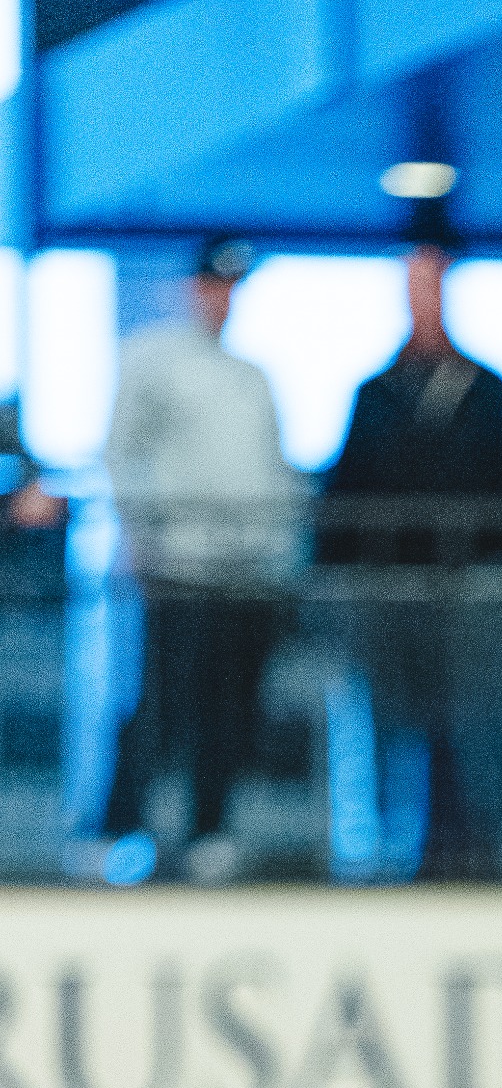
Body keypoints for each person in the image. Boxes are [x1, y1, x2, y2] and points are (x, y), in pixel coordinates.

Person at [323, 230, 502, 875]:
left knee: (474, 718)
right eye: (413, 285)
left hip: (472, 585)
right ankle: (387, 848)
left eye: (432, 284)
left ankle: (476, 846)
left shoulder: (488, 391)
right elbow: (346, 490)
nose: (423, 298)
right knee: (391, 716)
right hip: (388, 585)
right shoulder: (375, 393)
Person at [101, 236, 300, 883]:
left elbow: (275, 472)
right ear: (192, 288)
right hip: (178, 567)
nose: (223, 298)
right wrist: (137, 537)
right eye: (214, 284)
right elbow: (122, 453)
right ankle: (117, 829)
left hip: (247, 571)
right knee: (160, 703)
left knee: (229, 707)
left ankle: (210, 829)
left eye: (233, 287)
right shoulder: (151, 359)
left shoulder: (252, 376)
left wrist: (281, 555)